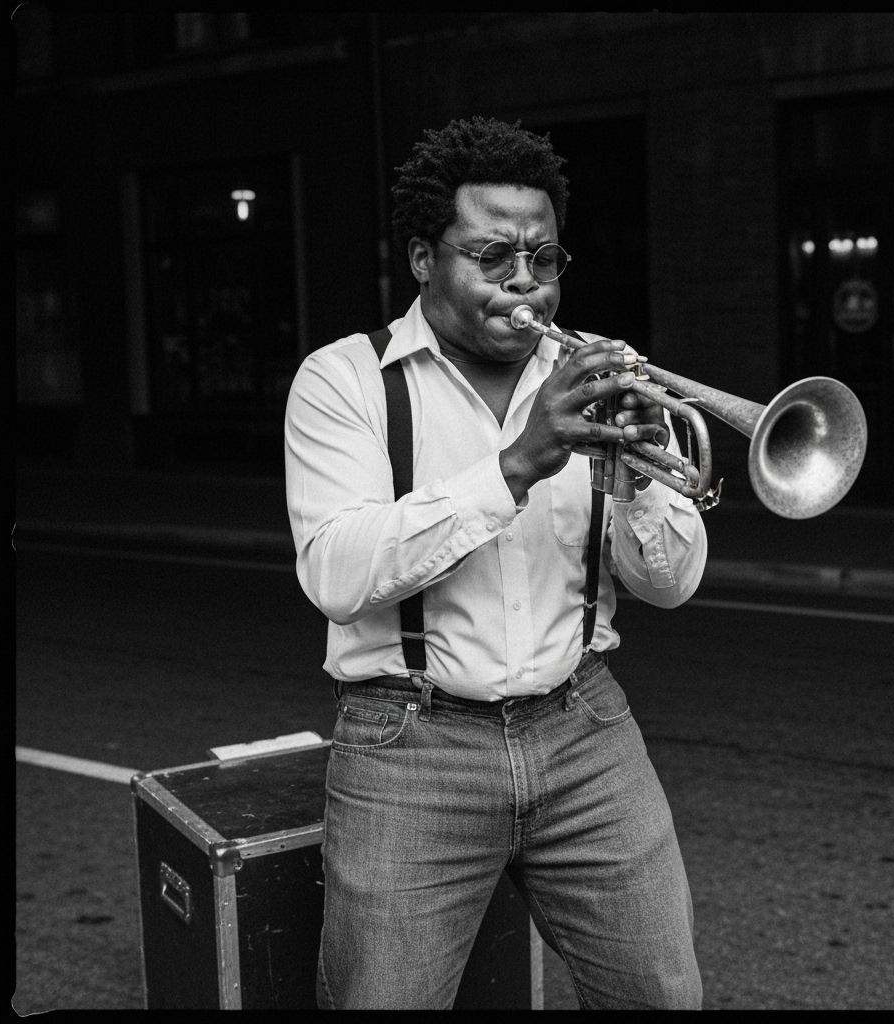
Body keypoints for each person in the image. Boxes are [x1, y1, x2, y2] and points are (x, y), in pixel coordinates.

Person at [284, 115, 707, 1010]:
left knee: (662, 997)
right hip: (410, 748)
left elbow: (670, 585)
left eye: (543, 258)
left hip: (587, 730)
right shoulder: (345, 381)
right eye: (492, 257)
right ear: (421, 259)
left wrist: (640, 476)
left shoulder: (599, 375)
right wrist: (518, 463)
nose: (525, 282)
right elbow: (336, 575)